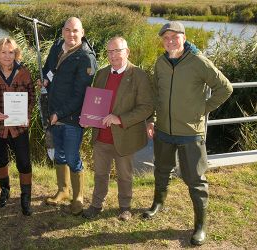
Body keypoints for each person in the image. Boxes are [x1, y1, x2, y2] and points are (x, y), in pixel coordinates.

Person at [142, 21, 233, 245]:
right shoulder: (160, 62)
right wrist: (152, 120)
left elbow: (225, 88)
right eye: (166, 38)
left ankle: (200, 225)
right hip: (164, 130)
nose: (170, 41)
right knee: (162, 170)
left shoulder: (199, 62)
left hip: (191, 132)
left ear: (184, 37)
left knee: (195, 180)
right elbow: (157, 95)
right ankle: (157, 204)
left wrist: (202, 109)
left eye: (174, 37)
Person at [82, 37, 154, 221]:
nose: (113, 55)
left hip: (125, 136)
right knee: (100, 174)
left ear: (127, 52)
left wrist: (120, 119)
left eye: (117, 51)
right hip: (101, 136)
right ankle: (96, 205)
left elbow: (146, 107)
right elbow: (95, 102)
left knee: (124, 175)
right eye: (109, 52)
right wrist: (88, 118)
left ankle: (125, 207)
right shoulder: (102, 74)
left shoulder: (139, 75)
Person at [41, 17, 97, 215]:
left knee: (73, 157)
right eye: (67, 30)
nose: (71, 34)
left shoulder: (86, 57)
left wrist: (59, 114)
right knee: (59, 154)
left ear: (82, 33)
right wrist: (45, 80)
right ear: (62, 31)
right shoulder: (57, 46)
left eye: (75, 31)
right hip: (53, 111)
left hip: (72, 117)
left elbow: (80, 95)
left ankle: (78, 196)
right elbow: (48, 68)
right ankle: (63, 190)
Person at [0, 37, 35, 216]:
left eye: (11, 52)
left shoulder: (24, 73)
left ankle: (26, 198)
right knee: (1, 160)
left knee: (24, 162)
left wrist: (26, 114)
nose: (7, 56)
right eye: (3, 52)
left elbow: (31, 96)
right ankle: (5, 191)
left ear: (16, 54)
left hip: (19, 127)